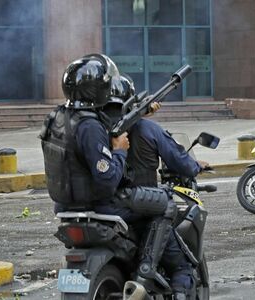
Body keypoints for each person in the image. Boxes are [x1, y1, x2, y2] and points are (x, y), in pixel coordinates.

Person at [40, 54, 177, 290]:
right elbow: (107, 181)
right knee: (167, 204)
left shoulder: (58, 118)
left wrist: (139, 113)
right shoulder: (90, 127)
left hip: (65, 206)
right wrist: (120, 151)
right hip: (101, 202)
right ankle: (147, 269)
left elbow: (106, 126)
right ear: (100, 89)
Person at [108, 74, 208, 298]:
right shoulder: (147, 130)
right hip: (143, 210)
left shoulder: (96, 130)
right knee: (182, 266)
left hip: (105, 208)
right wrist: (196, 167)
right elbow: (180, 160)